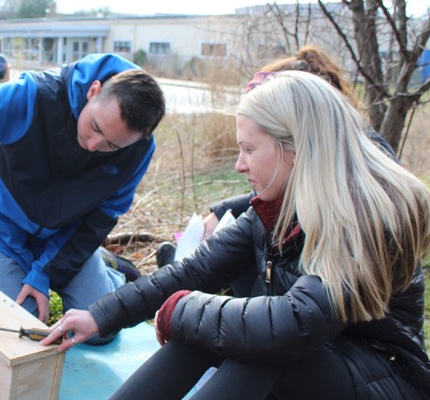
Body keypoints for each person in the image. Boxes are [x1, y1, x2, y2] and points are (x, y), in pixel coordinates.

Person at [0, 71, 430, 400]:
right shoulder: (277, 207)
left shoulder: (368, 217)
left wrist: (182, 310)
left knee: (262, 339)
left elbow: (297, 323)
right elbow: (190, 272)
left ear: (296, 148)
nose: (238, 165)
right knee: (227, 326)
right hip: (316, 393)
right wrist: (101, 313)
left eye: (249, 149)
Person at [0, 53, 165, 343]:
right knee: (13, 332)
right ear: (94, 91)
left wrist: (46, 272)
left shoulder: (137, 151)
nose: (92, 145)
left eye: (111, 145)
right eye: (95, 127)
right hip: (4, 231)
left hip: (66, 239)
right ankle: (87, 268)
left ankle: (111, 273)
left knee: (101, 331)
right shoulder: (36, 96)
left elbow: (102, 217)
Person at [156, 45, 397, 269]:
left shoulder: (357, 170)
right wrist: (222, 211)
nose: (239, 165)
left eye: (249, 149)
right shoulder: (327, 153)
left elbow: (305, 304)